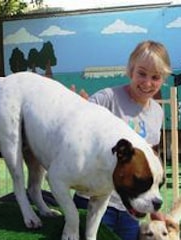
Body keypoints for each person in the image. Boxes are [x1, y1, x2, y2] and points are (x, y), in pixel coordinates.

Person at [73, 40, 172, 240]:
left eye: (155, 77)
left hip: (130, 208)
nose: (147, 83)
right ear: (130, 70)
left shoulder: (157, 113)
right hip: (94, 200)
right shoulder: (107, 99)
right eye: (142, 73)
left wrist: (153, 209)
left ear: (163, 78)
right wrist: (76, 107)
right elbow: (77, 132)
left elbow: (149, 163)